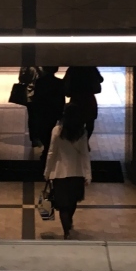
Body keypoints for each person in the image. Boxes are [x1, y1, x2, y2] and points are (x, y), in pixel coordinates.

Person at [43, 101, 92, 239]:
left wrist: (47, 172)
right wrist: (88, 174)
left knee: (63, 205)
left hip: (59, 172)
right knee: (72, 202)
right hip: (77, 172)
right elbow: (85, 154)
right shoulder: (82, 132)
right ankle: (69, 223)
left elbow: (51, 153)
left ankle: (66, 231)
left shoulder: (57, 131)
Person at [28, 66, 66, 161]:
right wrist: (61, 111)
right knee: (51, 128)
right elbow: (62, 98)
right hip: (54, 109)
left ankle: (46, 148)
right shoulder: (59, 82)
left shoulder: (40, 82)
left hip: (43, 109)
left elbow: (37, 97)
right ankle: (49, 149)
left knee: (43, 129)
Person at [63, 66, 103, 138]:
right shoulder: (91, 67)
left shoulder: (72, 68)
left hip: (76, 99)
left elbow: (65, 82)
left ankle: (78, 139)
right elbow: (101, 79)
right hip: (89, 99)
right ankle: (86, 140)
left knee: (76, 121)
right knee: (90, 123)